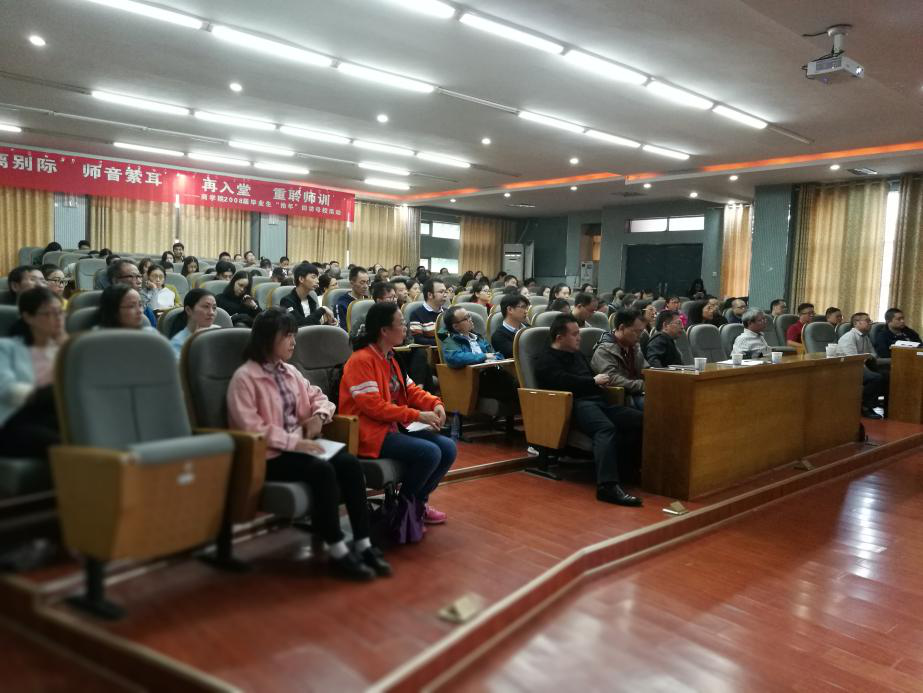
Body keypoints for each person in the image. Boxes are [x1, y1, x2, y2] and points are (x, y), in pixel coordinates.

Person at [227, 309, 389, 580]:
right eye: (286, 336)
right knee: (321, 470)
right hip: (269, 455)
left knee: (349, 464)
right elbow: (251, 428)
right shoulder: (244, 378)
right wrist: (296, 443)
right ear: (266, 338)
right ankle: (337, 548)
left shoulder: (290, 372)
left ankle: (363, 543)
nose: (293, 342)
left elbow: (321, 398)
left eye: (294, 335)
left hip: (302, 447)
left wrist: (320, 417)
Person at [339, 302, 454, 525]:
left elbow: (410, 390)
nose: (406, 328)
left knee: (448, 448)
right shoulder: (361, 361)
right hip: (369, 433)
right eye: (401, 323)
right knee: (429, 452)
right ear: (384, 330)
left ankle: (417, 503)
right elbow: (373, 407)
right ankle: (404, 507)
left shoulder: (391, 357)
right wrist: (418, 415)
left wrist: (434, 403)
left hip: (393, 427)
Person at [537, 315, 643, 507]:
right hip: (572, 405)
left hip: (598, 402)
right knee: (605, 428)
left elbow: (591, 377)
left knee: (640, 419)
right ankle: (607, 486)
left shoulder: (576, 354)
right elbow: (561, 382)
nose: (580, 338)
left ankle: (630, 471)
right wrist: (593, 382)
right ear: (560, 337)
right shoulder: (546, 359)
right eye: (575, 334)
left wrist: (597, 381)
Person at [0, 287, 65, 458]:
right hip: (17, 420)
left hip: (57, 414)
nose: (58, 318)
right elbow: (6, 388)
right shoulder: (7, 348)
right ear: (28, 317)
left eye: (60, 312)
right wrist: (41, 394)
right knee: (64, 443)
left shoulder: (68, 349)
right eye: (49, 313)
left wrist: (65, 347)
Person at [591, 308, 647, 410]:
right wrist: (643, 385)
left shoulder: (634, 347)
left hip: (639, 393)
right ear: (621, 328)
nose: (640, 336)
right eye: (636, 331)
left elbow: (646, 369)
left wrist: (657, 380)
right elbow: (611, 379)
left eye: (641, 332)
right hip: (623, 397)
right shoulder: (604, 350)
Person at [836, 312, 887, 419]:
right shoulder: (849, 337)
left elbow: (873, 354)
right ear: (856, 323)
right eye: (867, 321)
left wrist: (867, 357)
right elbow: (852, 359)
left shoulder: (865, 337)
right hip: (849, 368)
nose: (870, 323)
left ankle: (874, 403)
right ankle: (865, 407)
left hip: (862, 364)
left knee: (885, 375)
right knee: (875, 378)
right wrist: (867, 357)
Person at [169, 289, 219, 358]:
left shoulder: (218, 332)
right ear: (188, 310)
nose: (211, 312)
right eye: (206, 306)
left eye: (214, 308)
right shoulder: (178, 344)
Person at [107, 259, 157, 327]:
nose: (139, 281)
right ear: (115, 280)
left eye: (139, 276)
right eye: (132, 276)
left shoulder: (146, 310)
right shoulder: (102, 309)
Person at [280, 262, 330, 327]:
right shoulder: (286, 301)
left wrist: (328, 324)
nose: (317, 281)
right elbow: (300, 325)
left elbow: (314, 327)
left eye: (317, 278)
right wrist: (323, 309)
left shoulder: (312, 301)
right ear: (301, 279)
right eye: (313, 277)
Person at [491, 293, 530, 359]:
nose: (526, 311)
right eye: (523, 307)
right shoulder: (499, 336)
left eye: (527, 308)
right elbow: (518, 355)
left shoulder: (528, 329)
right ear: (510, 309)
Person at [408, 278, 446, 346]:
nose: (445, 295)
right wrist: (444, 342)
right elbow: (418, 340)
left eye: (445, 292)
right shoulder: (416, 314)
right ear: (430, 295)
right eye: (441, 292)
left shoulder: (447, 313)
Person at [335, 266, 369, 330]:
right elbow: (342, 331)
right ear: (352, 283)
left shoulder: (369, 301)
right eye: (362, 282)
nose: (366, 286)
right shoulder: (342, 304)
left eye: (367, 282)